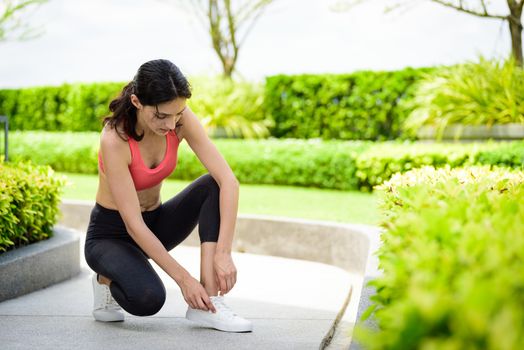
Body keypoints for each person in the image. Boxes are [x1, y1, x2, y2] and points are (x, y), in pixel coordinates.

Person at [84, 59, 252, 333]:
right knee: (148, 299)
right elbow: (133, 225)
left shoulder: (179, 119)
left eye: (178, 113)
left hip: (155, 222)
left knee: (213, 186)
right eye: (161, 116)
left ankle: (208, 305)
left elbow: (229, 181)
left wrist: (223, 253)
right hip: (111, 235)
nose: (171, 124)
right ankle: (105, 277)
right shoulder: (115, 138)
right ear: (137, 102)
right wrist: (184, 280)